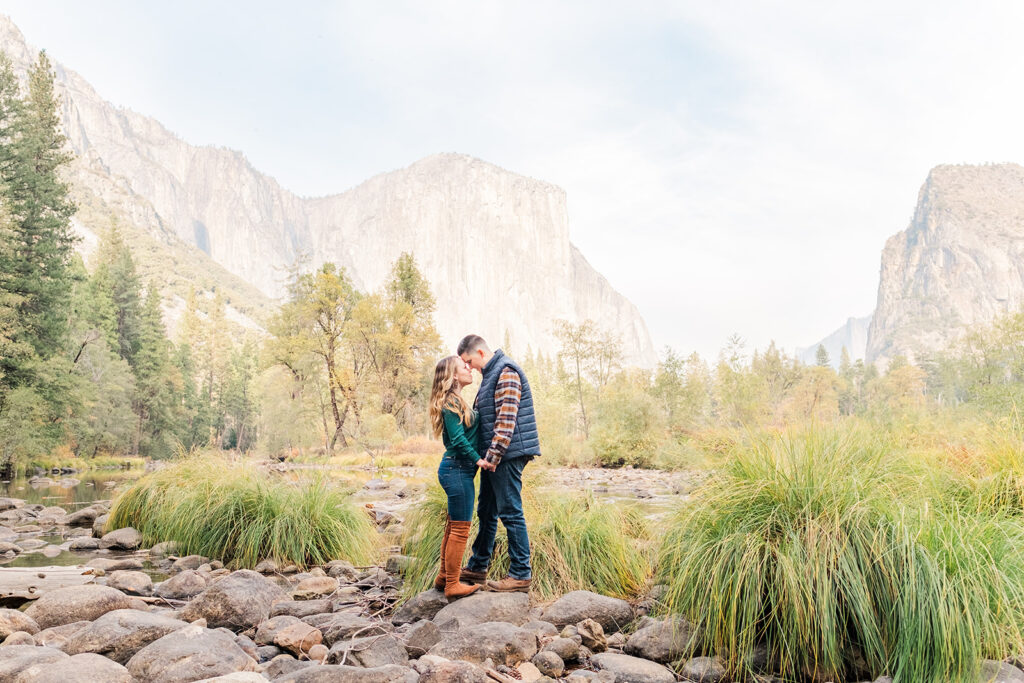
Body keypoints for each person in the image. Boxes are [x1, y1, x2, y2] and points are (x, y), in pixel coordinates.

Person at [457, 334, 540, 593]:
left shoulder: (506, 372)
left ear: (480, 353)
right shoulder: (491, 375)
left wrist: (492, 458)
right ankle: (478, 566)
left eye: (468, 361)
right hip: (497, 457)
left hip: (507, 455)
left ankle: (520, 574)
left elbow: (506, 421)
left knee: (510, 511)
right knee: (486, 511)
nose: (468, 367)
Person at [428, 355, 494, 599]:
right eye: (464, 366)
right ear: (453, 376)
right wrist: (479, 459)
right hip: (457, 470)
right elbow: (456, 438)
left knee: (452, 526)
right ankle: (453, 585)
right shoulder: (449, 403)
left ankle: (444, 577)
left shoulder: (456, 400)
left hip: (457, 470)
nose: (469, 367)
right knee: (460, 530)